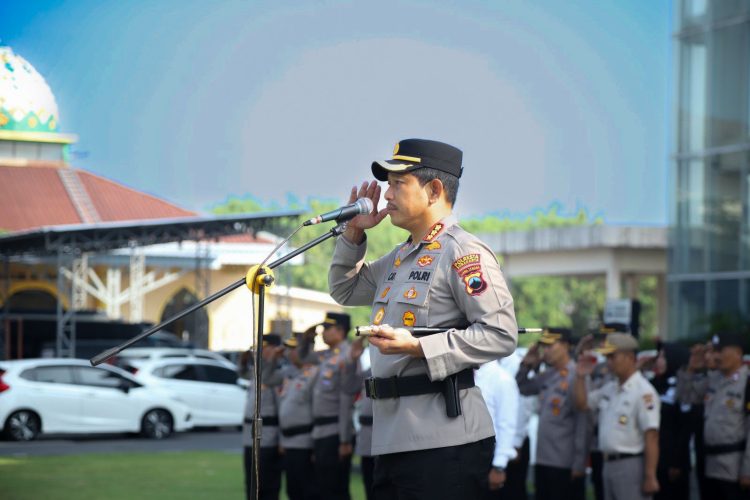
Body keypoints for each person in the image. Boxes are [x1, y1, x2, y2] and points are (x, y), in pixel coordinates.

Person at [328, 138, 518, 499]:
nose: (386, 195)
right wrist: (353, 234)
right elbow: (345, 290)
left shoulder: (463, 252)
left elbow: (501, 334)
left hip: (444, 442)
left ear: (433, 191)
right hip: (392, 438)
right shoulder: (400, 257)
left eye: (399, 183)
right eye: (388, 184)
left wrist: (418, 347)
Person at [574, 332, 660, 500]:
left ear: (630, 357)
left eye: (613, 357)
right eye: (607, 357)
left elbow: (651, 436)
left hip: (631, 465)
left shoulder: (643, 391)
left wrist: (650, 475)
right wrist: (580, 376)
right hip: (608, 463)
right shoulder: (611, 388)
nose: (609, 362)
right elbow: (582, 404)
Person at [677, 332, 750, 500]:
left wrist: (748, 470)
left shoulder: (746, 383)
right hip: (709, 465)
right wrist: (691, 368)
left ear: (738, 353)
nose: (716, 356)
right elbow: (685, 397)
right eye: (714, 351)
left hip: (733, 468)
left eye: (720, 351)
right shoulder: (713, 379)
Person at [297, 312, 363, 500]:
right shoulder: (326, 355)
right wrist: (307, 340)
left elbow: (346, 399)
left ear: (340, 331)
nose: (323, 332)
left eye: (327, 328)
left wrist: (344, 439)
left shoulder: (349, 355)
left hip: (335, 432)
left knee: (335, 489)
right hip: (321, 431)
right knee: (323, 488)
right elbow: (302, 358)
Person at [516, 328, 588, 500]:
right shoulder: (548, 375)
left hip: (564, 463)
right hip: (543, 459)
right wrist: (526, 365)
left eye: (550, 346)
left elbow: (583, 423)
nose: (546, 351)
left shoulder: (577, 376)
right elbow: (522, 387)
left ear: (565, 346)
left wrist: (579, 463)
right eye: (544, 347)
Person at [241, 333, 283, 500]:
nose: (260, 351)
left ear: (275, 349)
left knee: (267, 484)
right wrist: (244, 359)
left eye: (265, 348)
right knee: (251, 485)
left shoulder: (278, 373)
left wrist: (281, 440)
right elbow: (241, 373)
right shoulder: (257, 371)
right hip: (249, 438)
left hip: (268, 438)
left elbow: (282, 410)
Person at [648, 341, 690, 500]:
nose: (658, 361)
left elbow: (684, 428)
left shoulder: (682, 386)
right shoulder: (652, 385)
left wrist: (677, 462)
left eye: (663, 357)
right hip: (653, 459)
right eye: (658, 356)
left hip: (673, 461)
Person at [475, 358, 519, 499]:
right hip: (470, 454)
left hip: (489, 455)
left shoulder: (502, 378)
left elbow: (507, 424)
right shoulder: (467, 374)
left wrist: (499, 466)